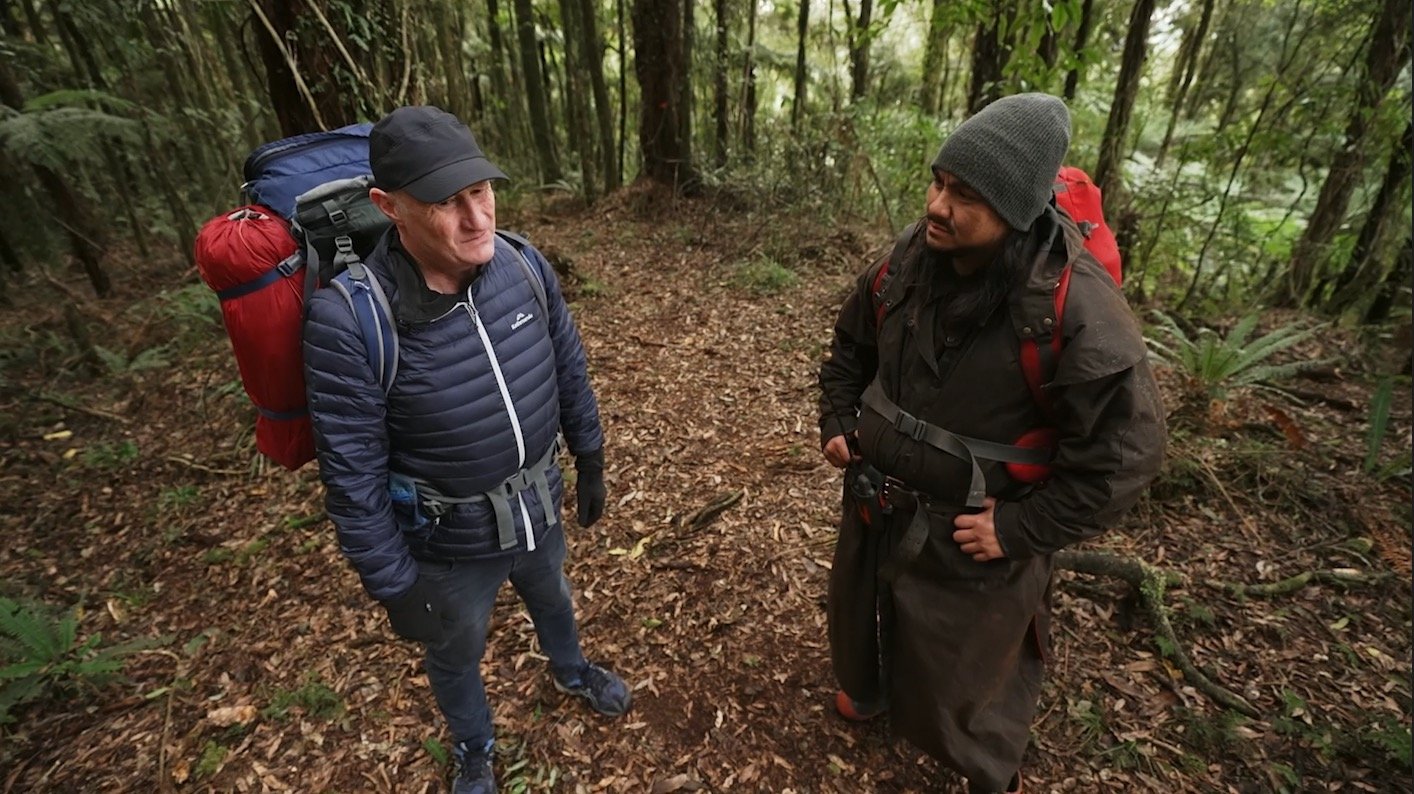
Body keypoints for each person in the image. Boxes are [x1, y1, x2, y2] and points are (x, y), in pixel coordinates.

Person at [816, 93, 1166, 793]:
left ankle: (983, 769)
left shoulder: (1076, 309)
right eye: (939, 182)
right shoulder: (911, 256)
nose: (939, 206)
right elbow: (850, 343)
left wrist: (1019, 527)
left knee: (970, 669)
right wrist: (837, 420)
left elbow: (1123, 458)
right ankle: (869, 687)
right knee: (857, 611)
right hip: (875, 502)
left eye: (966, 196)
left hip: (977, 532)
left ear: (1016, 209)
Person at [302, 105, 630, 794]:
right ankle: (474, 743)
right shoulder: (350, 320)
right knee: (456, 651)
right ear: (388, 207)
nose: (476, 218)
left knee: (554, 596)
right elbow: (352, 477)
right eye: (446, 203)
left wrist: (590, 453)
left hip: (539, 504)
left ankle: (570, 670)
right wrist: (393, 585)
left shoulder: (519, 261)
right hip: (449, 542)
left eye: (480, 191)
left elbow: (567, 362)